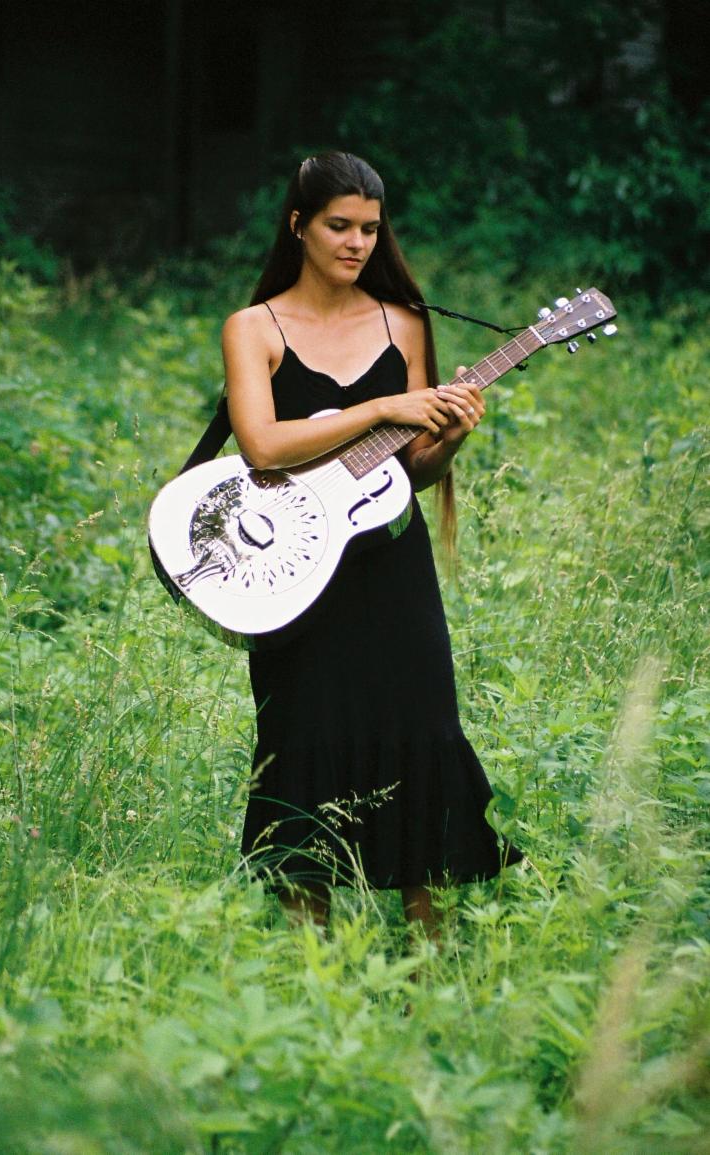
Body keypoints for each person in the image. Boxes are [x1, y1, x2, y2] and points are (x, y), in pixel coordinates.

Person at [222, 151, 522, 933]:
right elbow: (261, 445)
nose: (357, 243)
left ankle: (431, 964)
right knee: (303, 740)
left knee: (421, 735)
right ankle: (311, 966)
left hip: (392, 566)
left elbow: (408, 471)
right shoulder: (255, 328)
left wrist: (449, 438)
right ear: (299, 226)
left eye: (369, 229)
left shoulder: (404, 323)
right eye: (339, 226)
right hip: (294, 575)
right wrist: (383, 405)